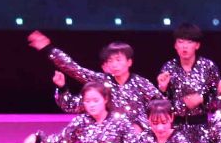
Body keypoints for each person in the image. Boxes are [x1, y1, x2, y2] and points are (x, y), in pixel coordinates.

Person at [28, 30, 158, 130]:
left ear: (129, 62)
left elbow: (160, 106)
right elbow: (75, 69)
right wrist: (48, 49)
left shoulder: (141, 83)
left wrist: (140, 126)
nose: (114, 65)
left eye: (118, 60)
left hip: (138, 141)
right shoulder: (101, 81)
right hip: (108, 140)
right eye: (110, 61)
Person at [156, 22, 220, 143]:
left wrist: (202, 98)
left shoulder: (208, 67)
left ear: (197, 45)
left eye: (189, 42)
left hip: (201, 127)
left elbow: (218, 100)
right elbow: (161, 104)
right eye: (181, 42)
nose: (184, 46)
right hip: (176, 128)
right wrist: (162, 89)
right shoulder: (168, 68)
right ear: (175, 45)